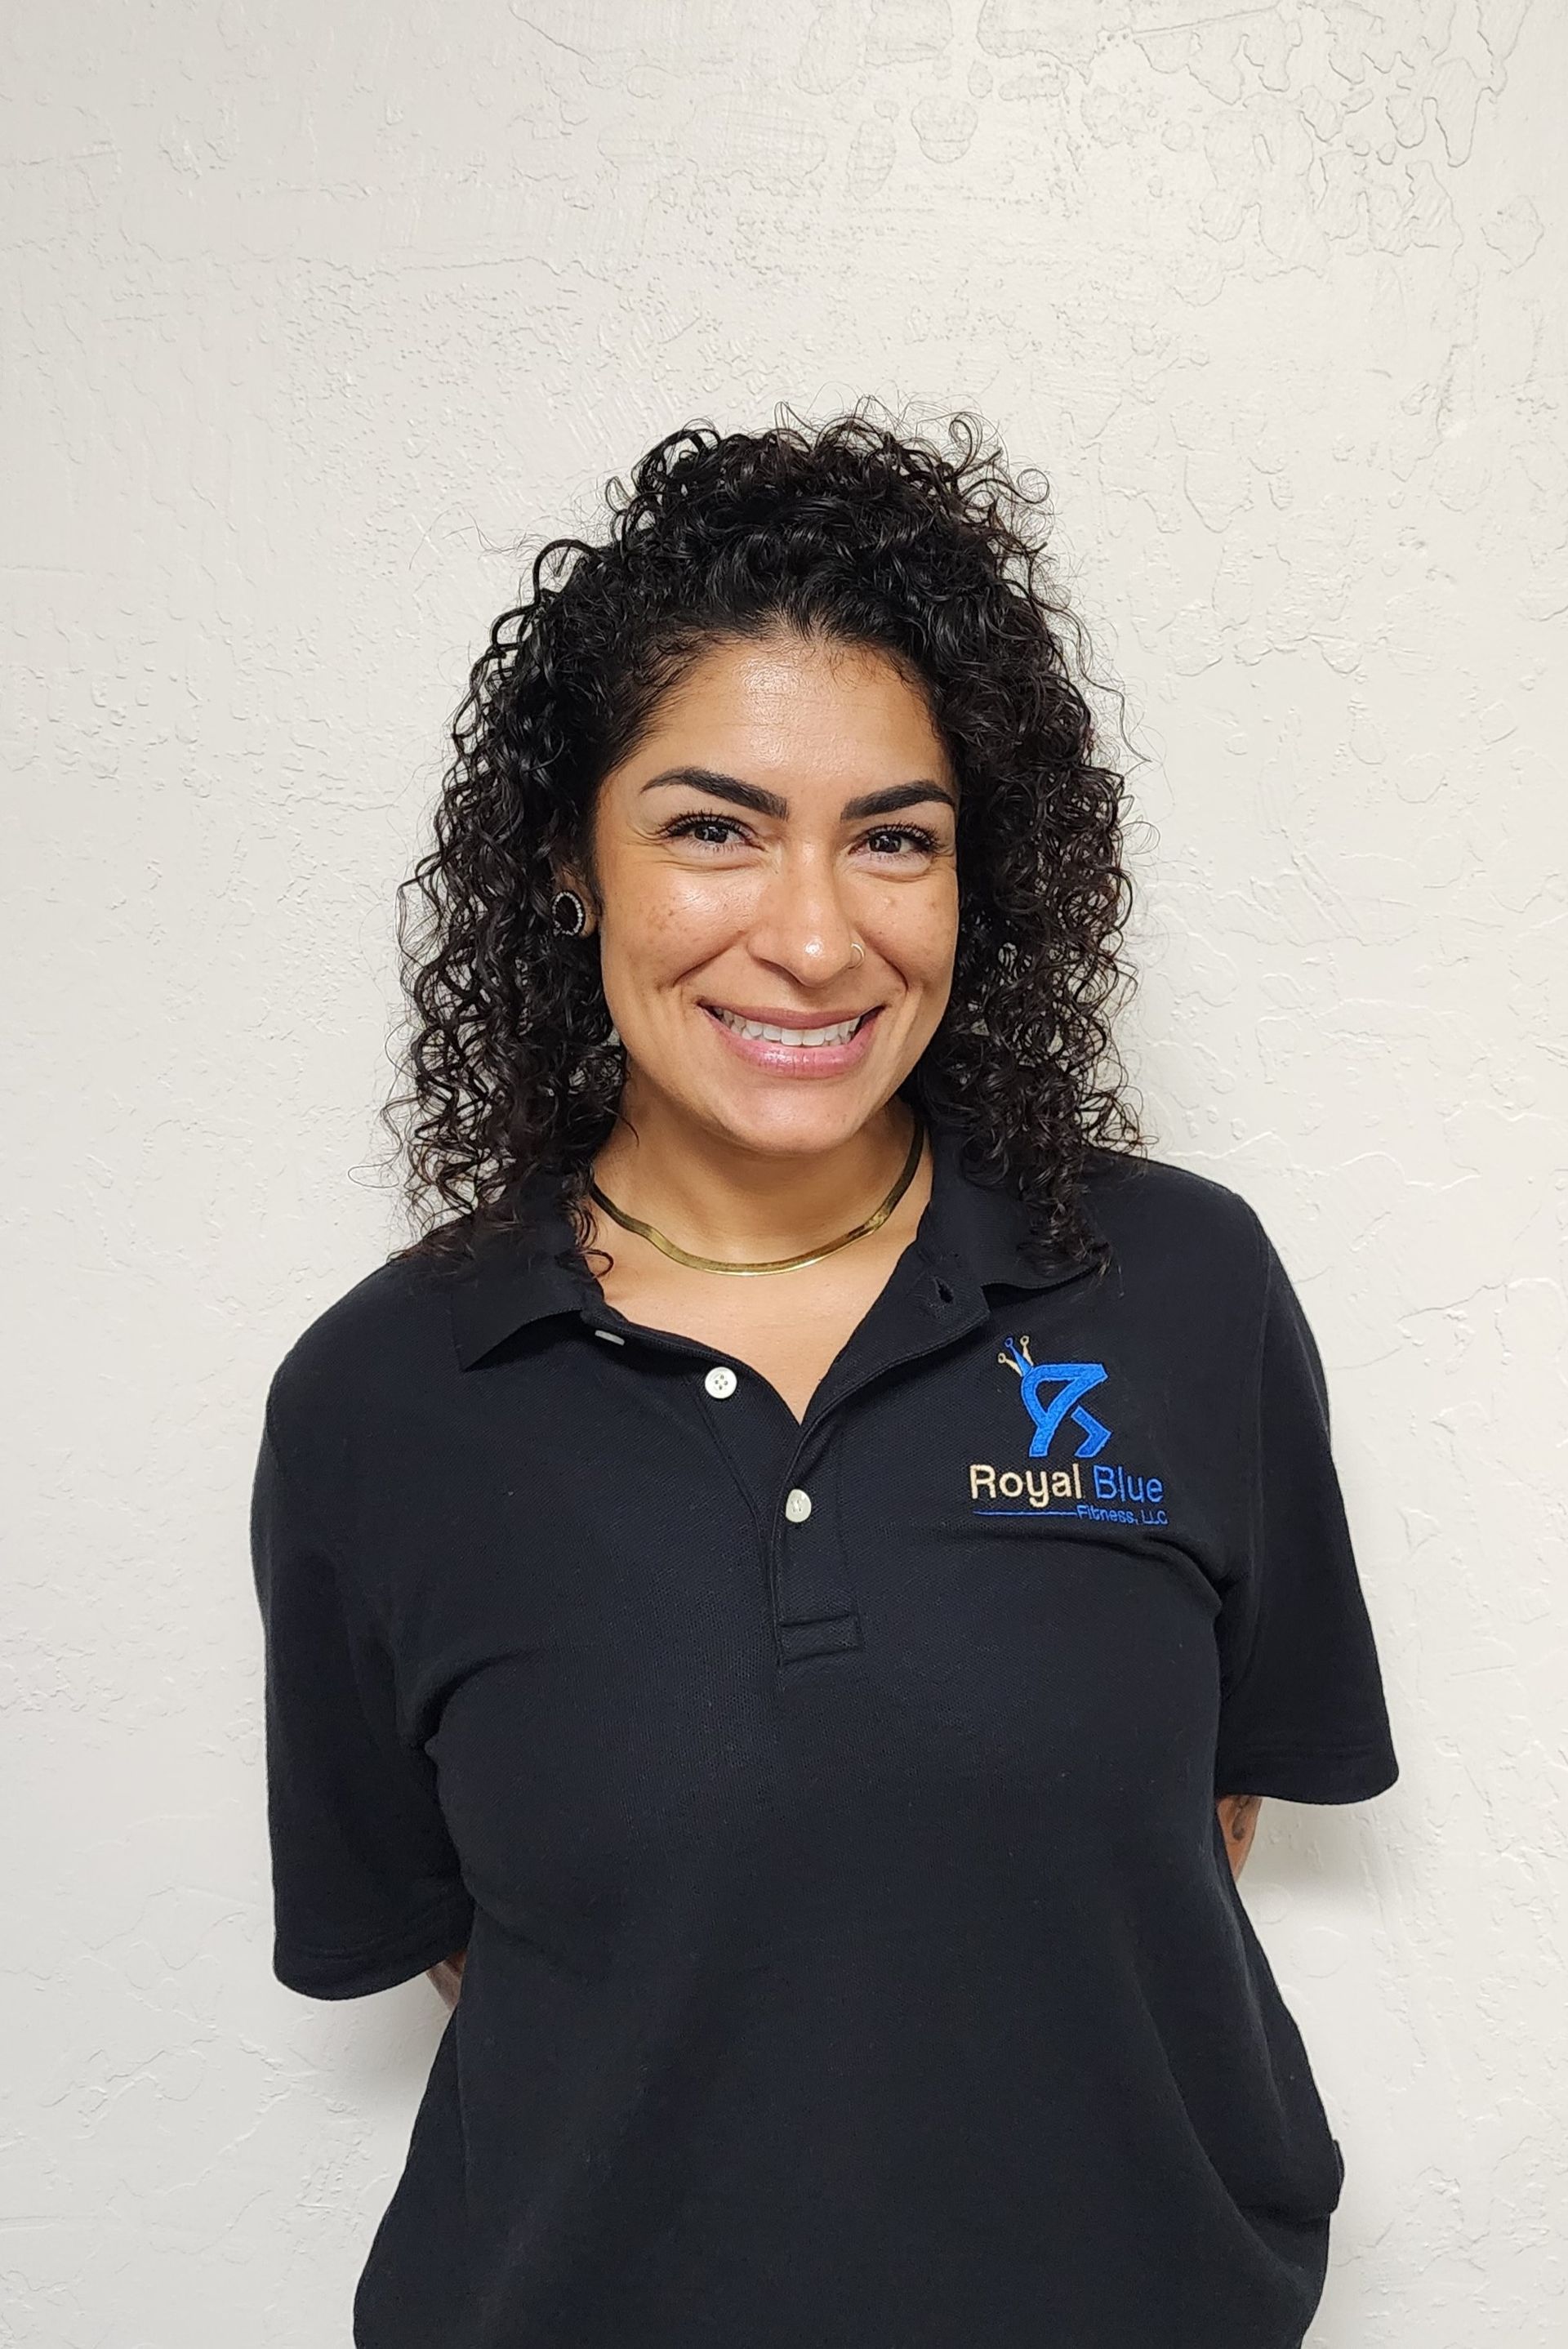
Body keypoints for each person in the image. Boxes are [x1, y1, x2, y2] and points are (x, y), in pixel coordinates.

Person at [248, 407, 1399, 2349]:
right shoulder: (384, 1400)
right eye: (712, 825)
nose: (810, 934)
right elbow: (460, 1936)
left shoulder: (1181, 1285)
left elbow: (1191, 1816)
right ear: (566, 864)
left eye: (896, 839)